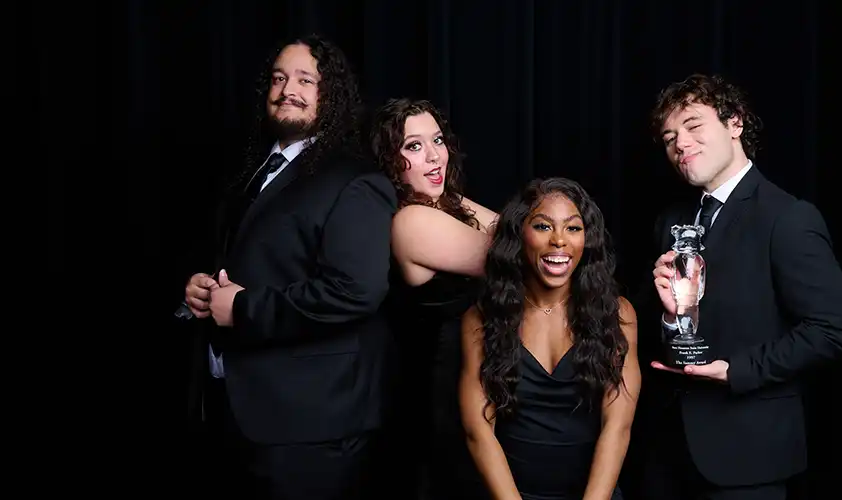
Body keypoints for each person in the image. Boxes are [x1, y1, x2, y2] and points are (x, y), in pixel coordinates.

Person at [180, 34, 397, 499]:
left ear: (331, 93)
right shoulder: (257, 171)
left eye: (305, 79)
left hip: (309, 424)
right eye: (279, 78)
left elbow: (354, 291)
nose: (287, 89)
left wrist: (243, 309)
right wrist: (203, 290)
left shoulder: (354, 179)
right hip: (236, 411)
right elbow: (254, 263)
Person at [636, 73, 842, 500]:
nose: (680, 144)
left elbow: (832, 330)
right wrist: (664, 312)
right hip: (666, 454)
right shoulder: (671, 221)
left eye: (694, 126)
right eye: (669, 137)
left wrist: (736, 371)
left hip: (746, 460)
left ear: (734, 123)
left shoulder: (787, 218)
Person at [459, 177, 641, 500]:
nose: (559, 241)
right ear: (520, 235)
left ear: (588, 238)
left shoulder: (617, 314)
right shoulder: (482, 318)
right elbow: (478, 432)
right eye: (543, 227)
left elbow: (618, 427)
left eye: (573, 228)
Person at [370, 97, 497, 499]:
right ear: (390, 161)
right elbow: (524, 255)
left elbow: (522, 225)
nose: (434, 156)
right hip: (438, 401)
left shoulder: (446, 205)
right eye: (413, 146)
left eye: (437, 140)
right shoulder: (411, 220)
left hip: (474, 387)